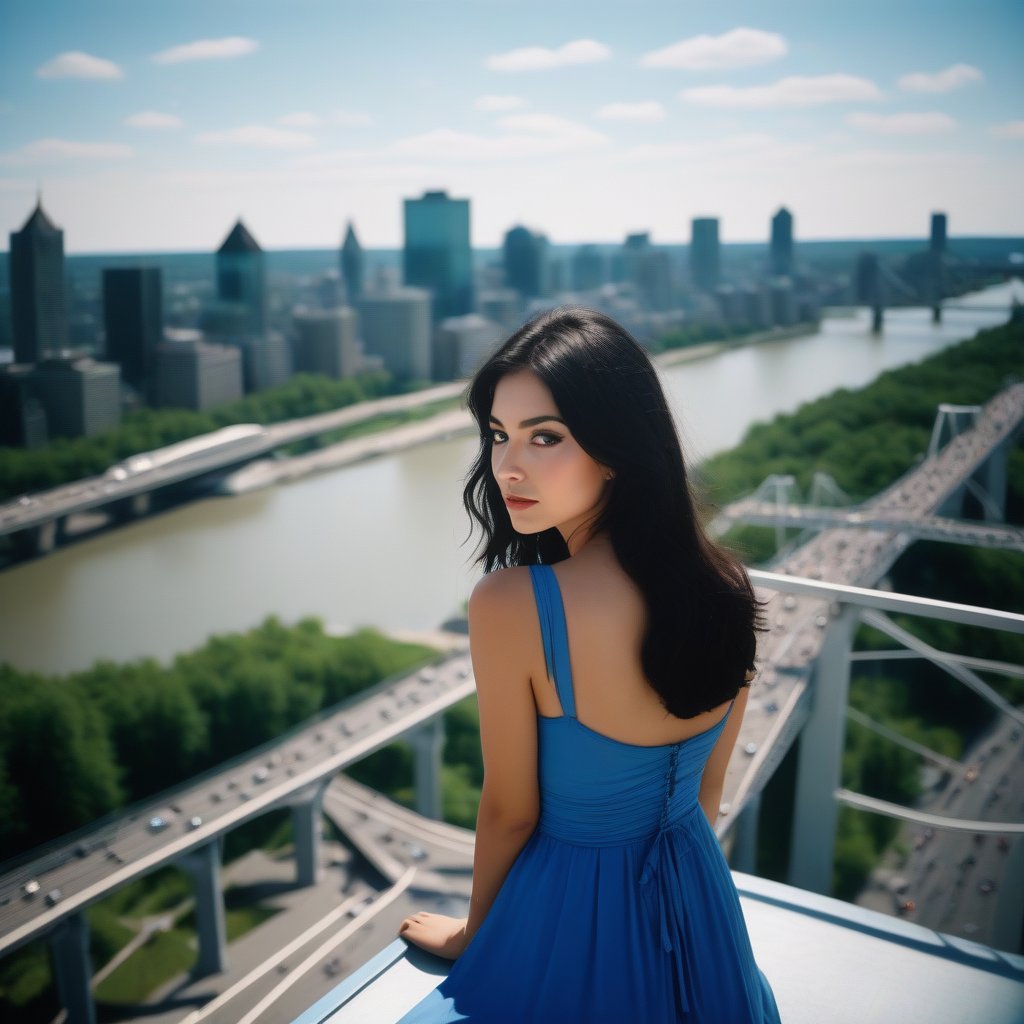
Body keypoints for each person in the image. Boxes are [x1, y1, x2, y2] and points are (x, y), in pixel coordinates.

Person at [397, 307, 781, 1022]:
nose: (507, 466)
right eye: (498, 435)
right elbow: (704, 796)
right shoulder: (729, 590)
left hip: (568, 919)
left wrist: (475, 936)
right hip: (702, 911)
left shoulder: (513, 604)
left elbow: (511, 810)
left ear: (614, 450)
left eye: (545, 437)